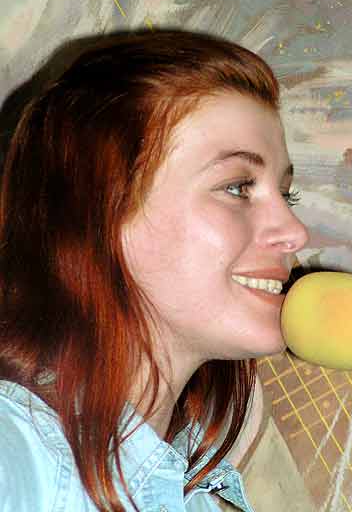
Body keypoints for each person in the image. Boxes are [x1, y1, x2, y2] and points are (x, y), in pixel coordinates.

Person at [0, 29, 309, 511]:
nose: (294, 232)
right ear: (99, 212)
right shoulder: (15, 456)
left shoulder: (195, 496)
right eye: (237, 187)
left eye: (286, 195)